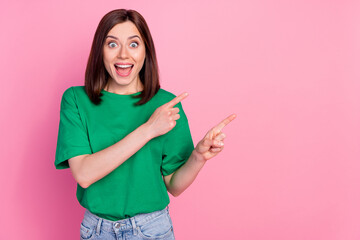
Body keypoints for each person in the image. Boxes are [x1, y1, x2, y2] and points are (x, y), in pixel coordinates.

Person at [54, 8, 236, 240]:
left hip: (152, 229)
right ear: (100, 51)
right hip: (97, 230)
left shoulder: (166, 105)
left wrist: (199, 156)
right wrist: (149, 129)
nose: (123, 55)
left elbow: (174, 185)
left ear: (145, 51)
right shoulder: (76, 100)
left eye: (133, 44)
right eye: (112, 44)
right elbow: (84, 173)